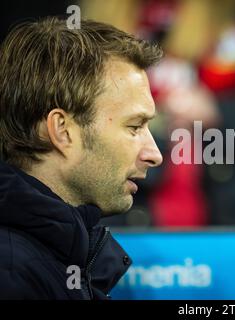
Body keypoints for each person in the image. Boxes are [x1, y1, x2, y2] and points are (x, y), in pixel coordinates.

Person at [0, 17, 163, 299]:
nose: (155, 155)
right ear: (62, 131)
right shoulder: (12, 274)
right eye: (134, 126)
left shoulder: (58, 257)